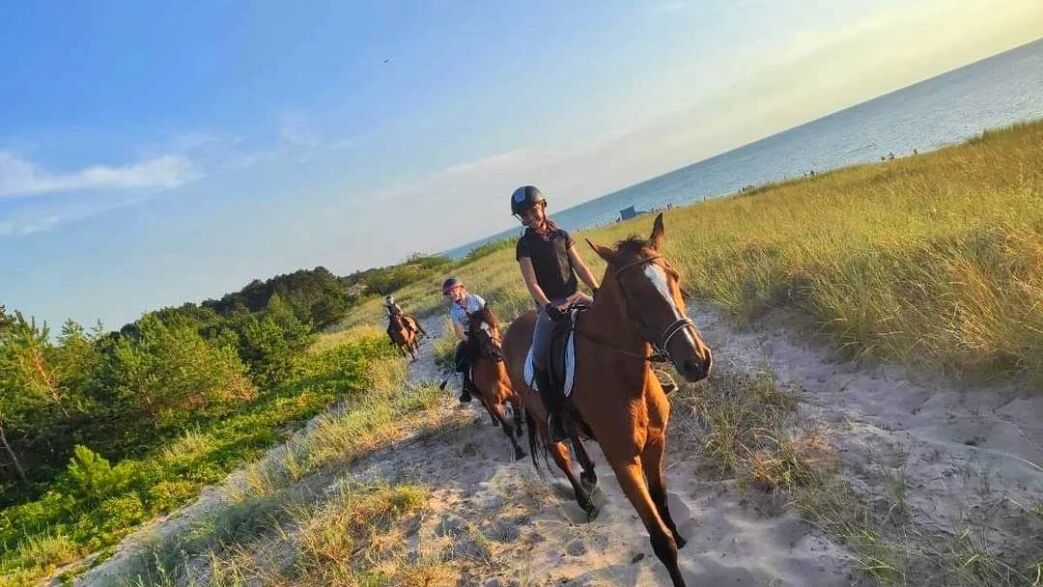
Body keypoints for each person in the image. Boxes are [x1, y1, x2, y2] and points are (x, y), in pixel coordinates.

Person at [511, 186, 600, 442]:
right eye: (524, 215)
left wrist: (596, 289)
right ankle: (555, 416)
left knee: (614, 321)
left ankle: (650, 374)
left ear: (543, 207)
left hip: (576, 296)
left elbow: (580, 266)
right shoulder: (524, 245)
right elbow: (531, 282)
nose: (530, 217)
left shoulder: (562, 235)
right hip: (550, 306)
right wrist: (547, 305)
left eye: (533, 211)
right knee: (539, 356)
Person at [442, 277, 486, 404]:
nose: (451, 295)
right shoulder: (454, 312)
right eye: (448, 293)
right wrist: (469, 340)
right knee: (459, 360)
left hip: (485, 330)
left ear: (461, 288)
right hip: (470, 337)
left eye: (452, 291)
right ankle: (466, 390)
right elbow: (458, 332)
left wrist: (486, 331)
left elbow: (488, 314)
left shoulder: (475, 299)